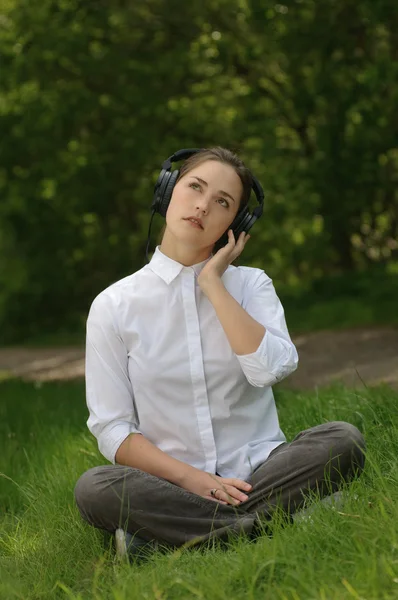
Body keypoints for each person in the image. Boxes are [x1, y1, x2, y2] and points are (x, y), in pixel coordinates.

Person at [74, 147, 366, 560]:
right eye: (195, 187)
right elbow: (113, 429)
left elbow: (270, 370)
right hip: (174, 487)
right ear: (168, 191)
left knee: (343, 440)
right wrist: (194, 481)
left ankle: (169, 540)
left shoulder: (252, 286)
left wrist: (213, 284)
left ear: (235, 224)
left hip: (261, 472)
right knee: (95, 488)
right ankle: (274, 521)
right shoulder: (113, 305)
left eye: (223, 202)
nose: (202, 206)